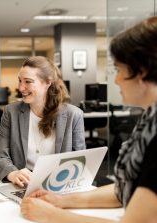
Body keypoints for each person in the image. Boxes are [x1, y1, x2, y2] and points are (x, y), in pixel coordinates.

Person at [20, 16, 157, 223]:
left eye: (119, 70)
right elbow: (123, 189)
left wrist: (52, 215)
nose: (115, 79)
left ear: (142, 71)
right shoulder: (150, 120)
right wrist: (61, 201)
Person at [0, 56, 86, 187]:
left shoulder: (73, 115)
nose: (21, 87)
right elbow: (0, 156)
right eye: (20, 81)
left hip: (59, 185)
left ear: (48, 82)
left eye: (28, 82)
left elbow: (80, 161)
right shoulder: (11, 112)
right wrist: (13, 173)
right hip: (23, 185)